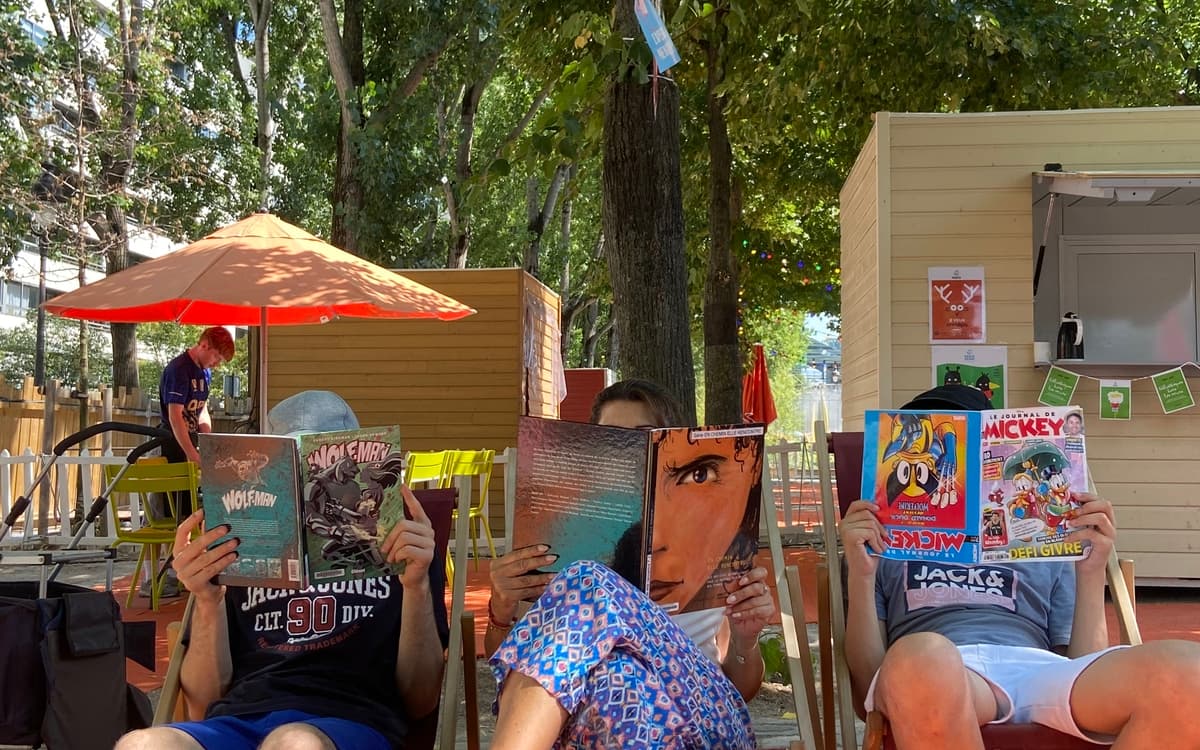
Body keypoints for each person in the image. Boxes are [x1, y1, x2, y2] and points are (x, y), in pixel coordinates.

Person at [841, 384, 1200, 748]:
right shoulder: (880, 544)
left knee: (1188, 673)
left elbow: (1081, 663)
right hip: (943, 670)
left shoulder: (1045, 540)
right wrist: (861, 573)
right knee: (922, 661)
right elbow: (868, 685)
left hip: (1041, 670)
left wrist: (1090, 573)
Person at [114, 406, 449, 750]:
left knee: (293, 742)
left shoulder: (404, 548)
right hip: (239, 719)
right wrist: (207, 599)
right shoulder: (234, 546)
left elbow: (421, 700)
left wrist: (416, 585)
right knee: (140, 744)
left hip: (350, 720)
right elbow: (203, 700)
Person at [487, 379, 774, 748]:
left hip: (699, 723)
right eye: (612, 441)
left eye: (641, 437)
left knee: (587, 579)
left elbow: (741, 690)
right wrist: (501, 608)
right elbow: (515, 665)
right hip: (599, 722)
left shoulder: (709, 542)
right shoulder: (556, 538)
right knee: (615, 674)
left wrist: (746, 641)